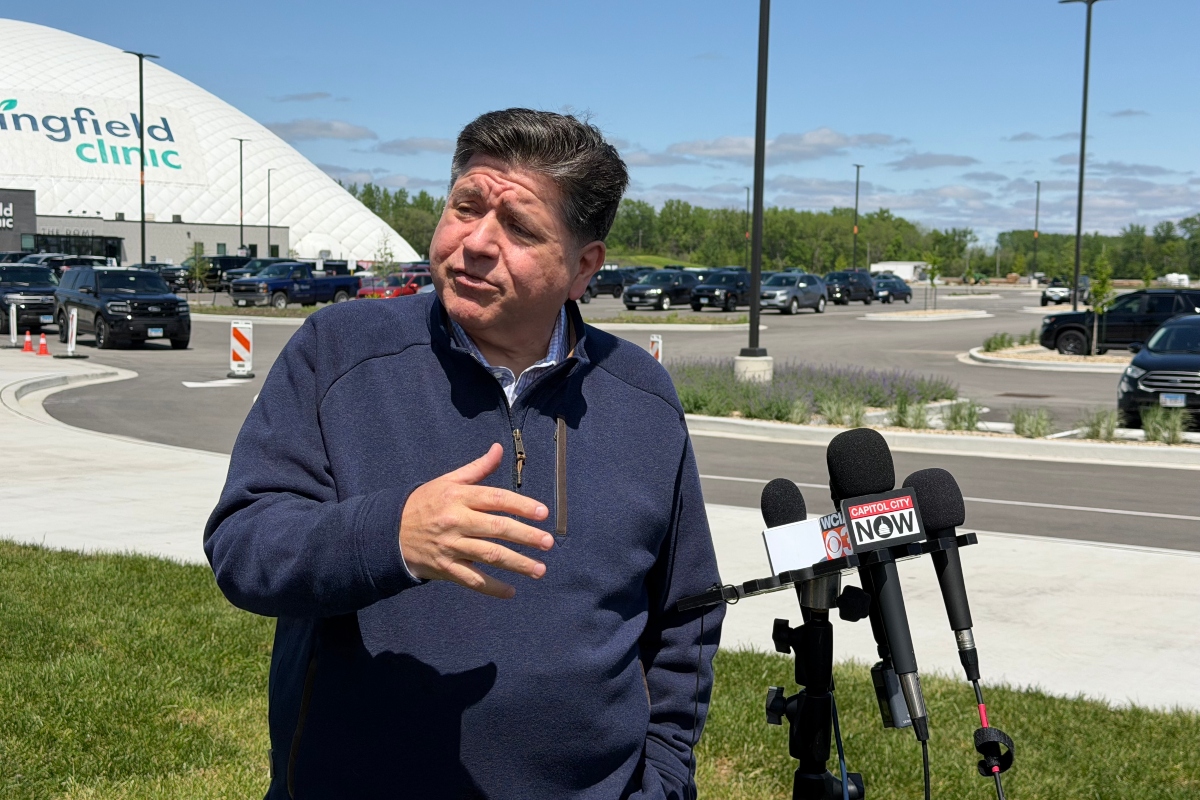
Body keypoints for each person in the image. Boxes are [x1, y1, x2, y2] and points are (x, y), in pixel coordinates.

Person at [205, 108, 724, 799]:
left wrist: (661, 781)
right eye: (465, 207)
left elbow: (686, 615)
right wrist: (394, 536)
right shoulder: (339, 351)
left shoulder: (641, 396)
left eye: (518, 227)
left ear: (583, 267)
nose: (476, 242)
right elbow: (245, 547)